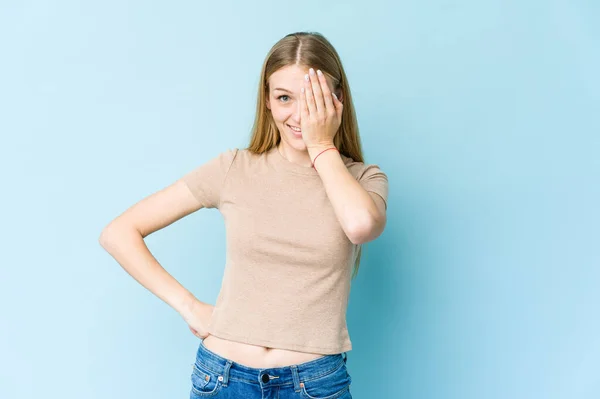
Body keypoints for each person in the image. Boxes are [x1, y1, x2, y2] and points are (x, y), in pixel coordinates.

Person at [99, 31, 388, 399]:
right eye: (284, 98)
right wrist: (188, 306)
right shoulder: (234, 168)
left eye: (312, 99)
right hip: (221, 378)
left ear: (337, 100)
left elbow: (361, 226)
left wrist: (320, 144)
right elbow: (119, 232)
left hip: (313, 383)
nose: (298, 115)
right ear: (267, 101)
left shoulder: (364, 179)